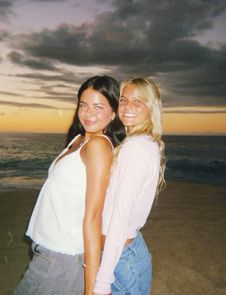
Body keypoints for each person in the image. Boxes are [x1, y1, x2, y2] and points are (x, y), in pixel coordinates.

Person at [13, 75, 126, 295]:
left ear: (113, 114)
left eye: (98, 107)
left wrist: (92, 287)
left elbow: (94, 216)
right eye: (83, 105)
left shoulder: (98, 147)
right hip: (50, 252)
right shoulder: (79, 140)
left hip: (61, 257)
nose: (88, 113)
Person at [94, 77, 166, 295]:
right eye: (124, 100)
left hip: (123, 258)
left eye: (138, 101)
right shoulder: (144, 143)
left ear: (151, 107)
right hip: (126, 253)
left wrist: (102, 281)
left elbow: (120, 217)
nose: (127, 107)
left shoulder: (135, 148)